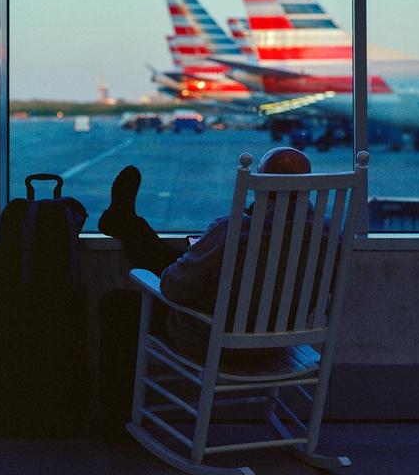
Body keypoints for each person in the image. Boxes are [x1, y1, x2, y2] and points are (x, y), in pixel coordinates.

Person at [98, 147, 312, 364]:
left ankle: (127, 224)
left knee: (115, 303)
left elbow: (173, 288)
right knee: (191, 261)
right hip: (277, 347)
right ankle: (127, 224)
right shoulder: (330, 236)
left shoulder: (232, 230)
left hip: (213, 342)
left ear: (260, 186)